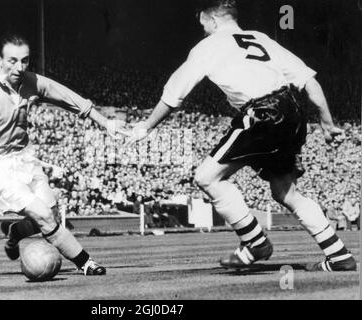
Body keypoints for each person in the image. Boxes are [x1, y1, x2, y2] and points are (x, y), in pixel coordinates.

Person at [126, 0, 356, 271]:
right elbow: (310, 82)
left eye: (202, 23)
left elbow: (174, 92)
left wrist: (147, 126)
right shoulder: (261, 39)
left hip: (262, 112)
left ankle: (255, 243)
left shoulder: (207, 47)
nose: (202, 29)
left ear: (212, 20)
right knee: (286, 191)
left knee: (206, 177)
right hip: (293, 111)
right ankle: (339, 255)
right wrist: (327, 123)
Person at [0, 34, 127, 276]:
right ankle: (86, 263)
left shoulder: (31, 81)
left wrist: (105, 122)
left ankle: (15, 233)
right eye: (12, 61)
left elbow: (68, 98)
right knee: (44, 215)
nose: (19, 67)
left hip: (25, 159)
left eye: (24, 61)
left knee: (49, 216)